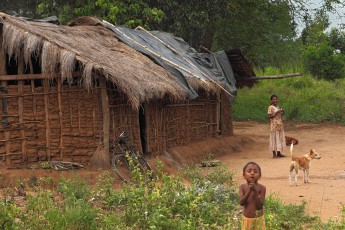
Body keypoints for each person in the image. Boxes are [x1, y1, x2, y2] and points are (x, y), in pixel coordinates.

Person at [239, 162, 266, 230]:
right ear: (244, 175)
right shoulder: (242, 187)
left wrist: (256, 191)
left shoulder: (262, 188)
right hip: (247, 220)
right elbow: (241, 203)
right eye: (249, 171)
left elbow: (260, 206)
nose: (252, 173)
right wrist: (250, 190)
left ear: (260, 175)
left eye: (255, 171)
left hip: (259, 219)